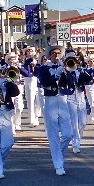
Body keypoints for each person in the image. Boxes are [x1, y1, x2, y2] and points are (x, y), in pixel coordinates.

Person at [36, 48, 73, 176]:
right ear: (49, 55)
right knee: (53, 135)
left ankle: (58, 155)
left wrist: (67, 71)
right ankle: (58, 164)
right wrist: (56, 75)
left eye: (58, 53)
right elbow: (44, 82)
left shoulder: (63, 67)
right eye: (54, 53)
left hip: (63, 99)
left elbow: (71, 83)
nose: (56, 55)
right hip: (50, 100)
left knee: (68, 134)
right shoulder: (43, 68)